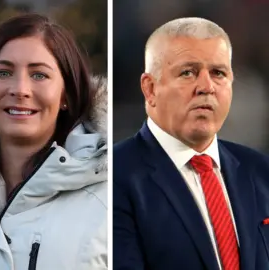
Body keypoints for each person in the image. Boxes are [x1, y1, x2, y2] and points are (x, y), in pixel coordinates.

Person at [0, 13, 108, 270]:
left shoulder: (108, 200)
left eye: (39, 75)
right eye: (3, 72)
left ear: (65, 95)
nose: (20, 89)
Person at [114, 17, 269, 270]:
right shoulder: (116, 176)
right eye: (188, 72)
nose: (206, 87)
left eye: (218, 73)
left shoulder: (261, 171)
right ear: (150, 89)